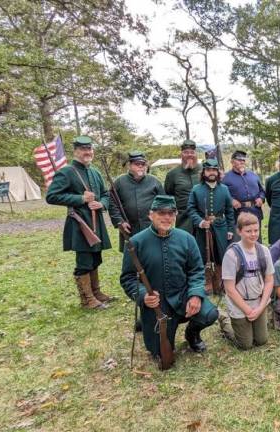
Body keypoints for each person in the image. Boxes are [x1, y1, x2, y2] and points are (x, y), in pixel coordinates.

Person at [120, 195, 218, 357]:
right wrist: (144, 296)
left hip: (182, 296)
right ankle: (146, 323)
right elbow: (128, 278)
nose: (167, 217)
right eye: (161, 213)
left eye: (171, 213)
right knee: (158, 352)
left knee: (209, 314)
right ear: (151, 215)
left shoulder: (187, 239)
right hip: (156, 304)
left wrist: (195, 295)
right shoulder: (136, 242)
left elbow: (196, 270)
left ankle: (191, 334)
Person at [45, 135, 112, 310]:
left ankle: (96, 292)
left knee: (96, 258)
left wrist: (102, 203)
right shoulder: (66, 172)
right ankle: (87, 299)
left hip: (96, 221)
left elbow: (105, 194)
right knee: (84, 260)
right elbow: (52, 196)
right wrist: (80, 198)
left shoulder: (95, 172)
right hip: (80, 222)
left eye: (89, 149)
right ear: (75, 151)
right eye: (83, 149)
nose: (87, 152)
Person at [220, 213, 275, 349]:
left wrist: (261, 307)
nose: (253, 234)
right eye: (248, 231)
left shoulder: (264, 251)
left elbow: (269, 280)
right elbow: (230, 289)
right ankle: (224, 319)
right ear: (239, 231)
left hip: (258, 301)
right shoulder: (232, 254)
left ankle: (250, 322)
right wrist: (247, 310)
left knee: (261, 340)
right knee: (245, 345)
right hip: (239, 303)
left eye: (256, 230)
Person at [187, 159, 235, 281]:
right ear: (203, 172)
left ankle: (220, 282)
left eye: (214, 170)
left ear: (218, 173)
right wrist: (200, 222)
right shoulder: (196, 189)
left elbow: (229, 210)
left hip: (221, 227)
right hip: (203, 228)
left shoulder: (224, 189)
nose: (212, 172)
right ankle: (207, 282)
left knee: (221, 254)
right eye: (208, 170)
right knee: (203, 255)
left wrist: (230, 229)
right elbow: (191, 209)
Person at [108, 151, 164, 251]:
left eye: (143, 164)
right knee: (131, 257)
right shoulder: (119, 182)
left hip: (151, 227)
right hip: (129, 228)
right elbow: (113, 204)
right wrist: (120, 221)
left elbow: (163, 203)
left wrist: (159, 221)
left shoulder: (154, 182)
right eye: (137, 164)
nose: (141, 167)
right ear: (129, 166)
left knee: (151, 255)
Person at [222, 150, 266, 242]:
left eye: (243, 160)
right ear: (232, 162)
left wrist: (261, 198)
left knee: (256, 241)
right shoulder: (225, 178)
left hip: (255, 212)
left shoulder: (253, 175)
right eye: (239, 160)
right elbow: (221, 193)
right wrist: (231, 200)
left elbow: (262, 191)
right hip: (237, 214)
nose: (242, 162)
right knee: (239, 243)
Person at [165, 139, 202, 233]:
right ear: (181, 154)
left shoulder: (204, 170)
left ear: (196, 154)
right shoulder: (172, 174)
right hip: (183, 219)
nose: (189, 155)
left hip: (203, 217)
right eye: (186, 152)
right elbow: (168, 195)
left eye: (192, 152)